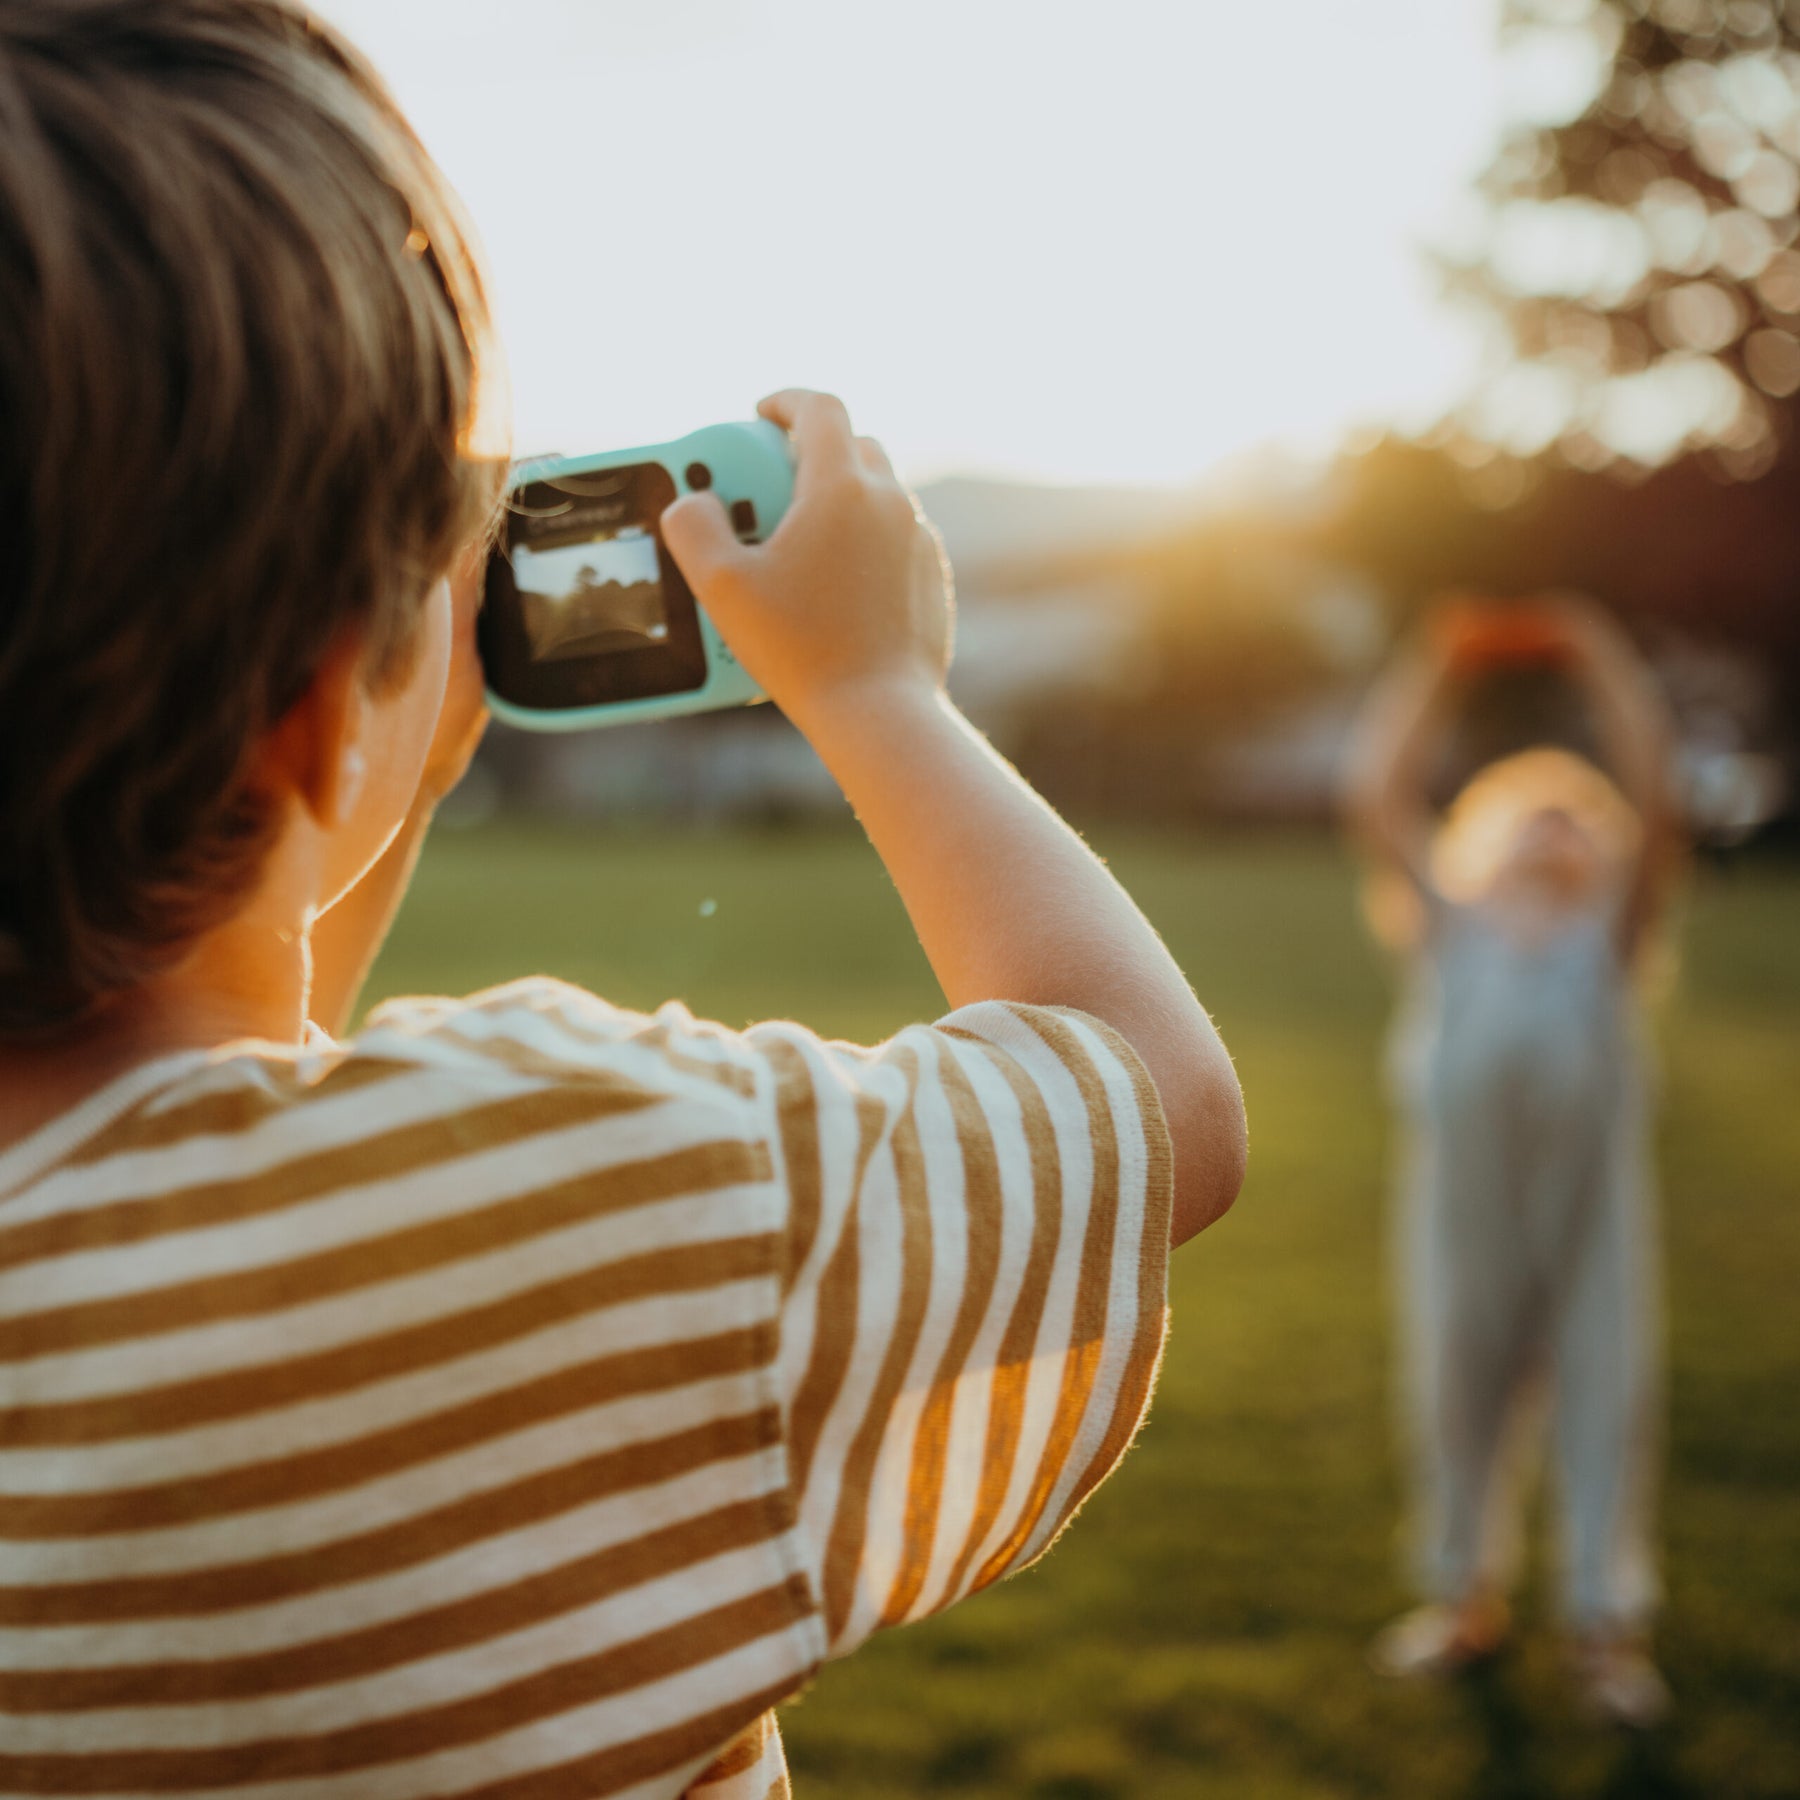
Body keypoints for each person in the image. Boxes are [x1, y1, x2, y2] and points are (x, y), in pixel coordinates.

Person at [0, 5, 1247, 1797]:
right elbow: (1151, 1108)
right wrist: (879, 690)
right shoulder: (560, 1184)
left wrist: (381, 782)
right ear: (313, 696)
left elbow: (201, 1134)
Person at [1345, 594, 1682, 1729]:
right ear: (1479, 849)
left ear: (1606, 852)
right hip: (1463, 1227)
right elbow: (1378, 793)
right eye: (1528, 814)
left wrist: (1604, 664)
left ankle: (1603, 1630)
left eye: (1573, 817)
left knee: (1604, 1400)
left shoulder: (1607, 945)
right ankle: (1462, 1601)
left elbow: (1660, 797)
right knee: (1455, 1399)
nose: (1553, 828)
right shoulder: (1455, 933)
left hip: (1590, 1233)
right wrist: (1435, 668)